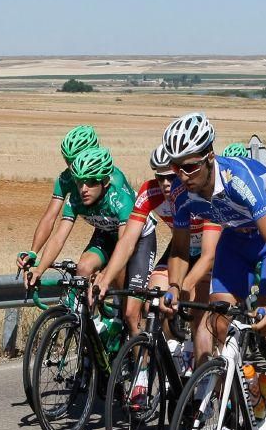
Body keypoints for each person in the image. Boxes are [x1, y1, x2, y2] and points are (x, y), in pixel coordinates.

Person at [158, 112, 266, 430]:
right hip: (236, 235)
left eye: (189, 166)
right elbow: (180, 249)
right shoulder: (181, 195)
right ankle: (235, 396)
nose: (181, 176)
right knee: (218, 320)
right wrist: (174, 286)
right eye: (175, 167)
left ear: (210, 157)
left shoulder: (238, 178)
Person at [92, 145, 221, 365]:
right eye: (160, 178)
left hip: (213, 250)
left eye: (171, 177)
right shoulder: (149, 192)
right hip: (181, 248)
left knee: (200, 319)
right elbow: (128, 240)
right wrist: (105, 278)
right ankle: (170, 357)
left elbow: (209, 255)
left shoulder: (198, 194)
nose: (166, 184)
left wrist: (184, 287)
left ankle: (207, 378)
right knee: (154, 298)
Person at [25, 146, 155, 335]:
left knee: (130, 312)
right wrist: (39, 270)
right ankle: (93, 329)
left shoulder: (120, 198)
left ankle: (140, 360)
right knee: (83, 268)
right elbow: (59, 238)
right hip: (106, 231)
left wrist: (105, 273)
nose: (83, 189)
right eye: (79, 182)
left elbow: (125, 244)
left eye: (90, 182)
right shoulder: (77, 198)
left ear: (104, 181)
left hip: (137, 238)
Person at [18, 125, 132, 271]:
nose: (72, 169)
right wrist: (33, 252)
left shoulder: (112, 180)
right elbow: (50, 217)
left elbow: (126, 230)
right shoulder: (65, 179)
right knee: (84, 268)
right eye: (68, 162)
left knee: (118, 273)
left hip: (129, 230)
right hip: (105, 229)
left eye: (75, 161)